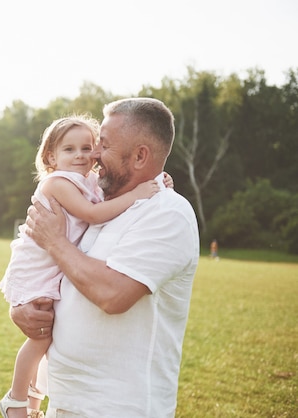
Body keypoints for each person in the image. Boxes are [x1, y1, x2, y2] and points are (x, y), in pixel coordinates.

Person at [11, 98, 200, 418]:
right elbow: (52, 266)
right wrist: (23, 308)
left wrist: (54, 241)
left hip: (118, 407)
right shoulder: (98, 199)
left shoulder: (167, 213)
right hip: (66, 401)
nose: (93, 154)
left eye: (103, 145)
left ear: (140, 156)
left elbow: (113, 295)